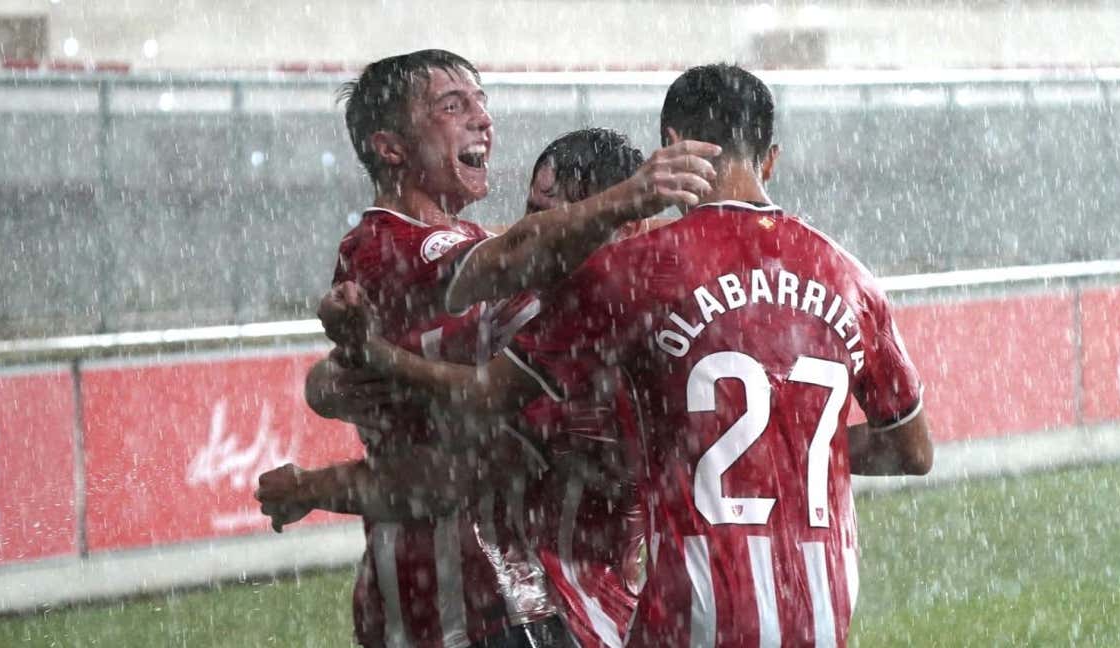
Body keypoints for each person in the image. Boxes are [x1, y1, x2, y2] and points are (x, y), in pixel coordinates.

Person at [326, 64, 934, 647]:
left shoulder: (633, 276)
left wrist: (370, 358)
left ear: (669, 145)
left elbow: (488, 395)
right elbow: (914, 450)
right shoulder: (850, 278)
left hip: (678, 614)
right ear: (770, 158)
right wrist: (786, 456)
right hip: (821, 611)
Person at [256, 48, 719, 648]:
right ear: (390, 146)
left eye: (482, 103)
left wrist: (339, 402)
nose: (483, 119)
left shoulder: (518, 278)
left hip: (514, 603)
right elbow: (463, 463)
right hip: (467, 606)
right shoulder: (391, 246)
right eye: (454, 106)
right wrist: (633, 195)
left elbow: (472, 442)